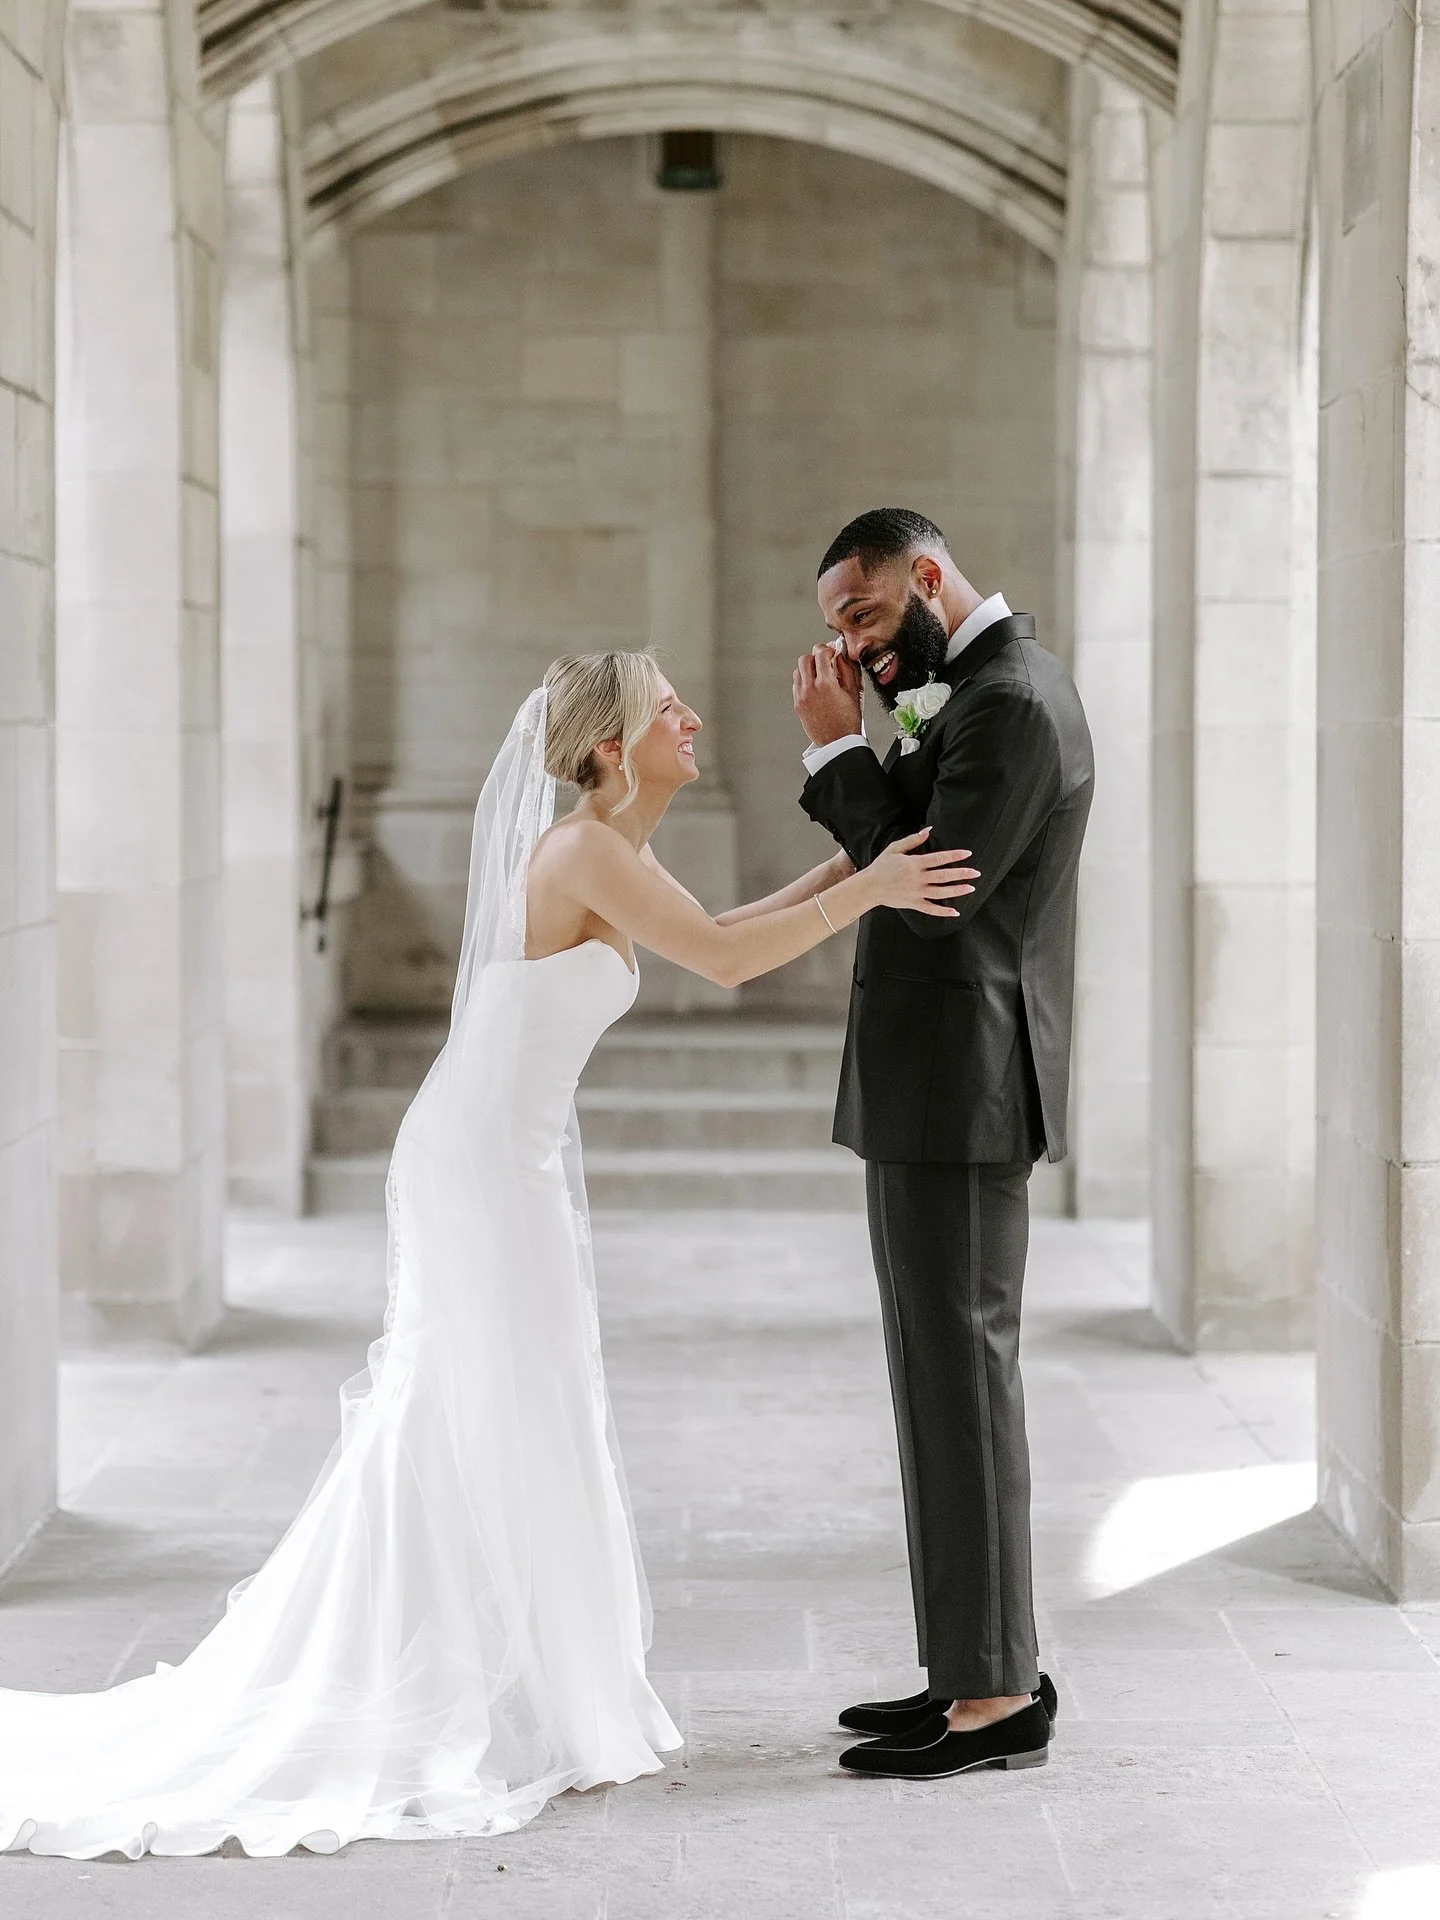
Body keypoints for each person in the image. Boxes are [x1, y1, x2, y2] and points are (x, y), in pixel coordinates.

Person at [0, 648, 975, 1859]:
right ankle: (416, 1672)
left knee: (517, 1400)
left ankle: (517, 1676)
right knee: (478, 1403)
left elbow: (717, 929)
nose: (693, 715)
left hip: (492, 1158)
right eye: (666, 706)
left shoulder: (614, 852)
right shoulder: (581, 852)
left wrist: (850, 866)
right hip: (474, 1167)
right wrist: (872, 890)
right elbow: (725, 968)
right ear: (612, 748)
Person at [793, 508, 1093, 1781]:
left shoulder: (1014, 699)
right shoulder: (961, 691)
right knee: (936, 1385)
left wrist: (833, 760)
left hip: (966, 1090)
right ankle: (969, 1668)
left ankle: (996, 1698)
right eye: (835, 631)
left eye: (861, 616)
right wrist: (872, 737)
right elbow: (915, 829)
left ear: (926, 576)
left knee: (962, 1385)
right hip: (933, 1088)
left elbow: (936, 890)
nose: (853, 649)